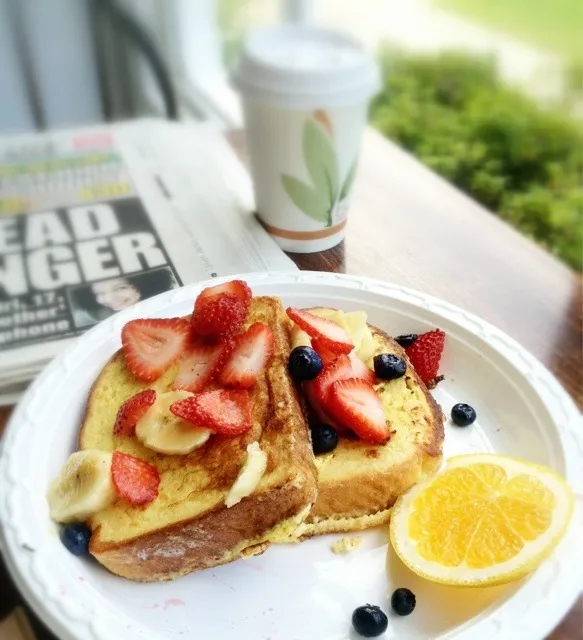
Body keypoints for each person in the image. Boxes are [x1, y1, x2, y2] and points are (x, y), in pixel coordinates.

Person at [70, 269, 177, 328]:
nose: (109, 298)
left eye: (121, 288)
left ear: (143, 285)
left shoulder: (167, 308)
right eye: (99, 293)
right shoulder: (84, 319)